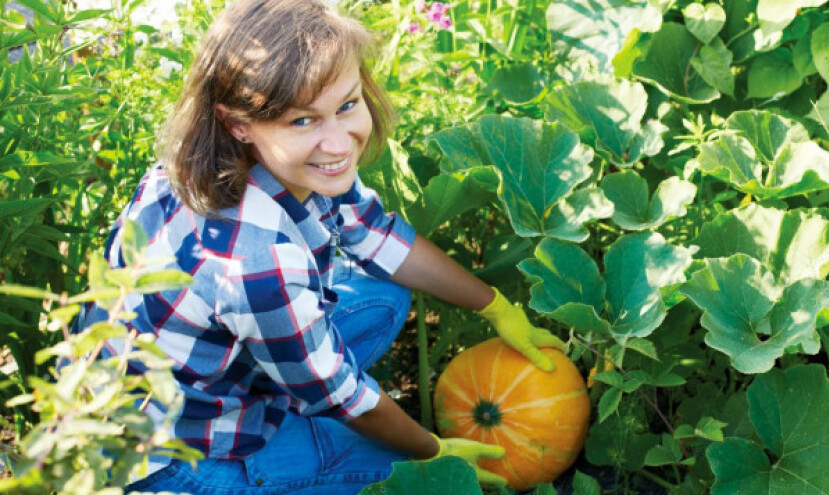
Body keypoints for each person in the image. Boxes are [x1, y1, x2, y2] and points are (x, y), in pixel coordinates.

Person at [78, 0, 566, 492]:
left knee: (385, 291)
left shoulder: (233, 162)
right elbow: (343, 397)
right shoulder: (257, 263)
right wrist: (435, 453)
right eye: (303, 122)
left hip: (189, 374)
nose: (338, 143)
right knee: (394, 473)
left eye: (347, 106)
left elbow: (376, 233)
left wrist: (495, 306)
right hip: (173, 453)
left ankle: (291, 403)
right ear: (238, 123)